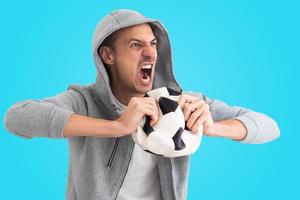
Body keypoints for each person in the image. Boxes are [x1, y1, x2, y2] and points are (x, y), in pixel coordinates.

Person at [4, 9, 280, 200]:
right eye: (136, 45)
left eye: (152, 43)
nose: (150, 52)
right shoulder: (84, 100)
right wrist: (117, 126)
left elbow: (270, 127)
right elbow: (17, 118)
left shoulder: (181, 102)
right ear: (107, 56)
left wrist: (213, 127)